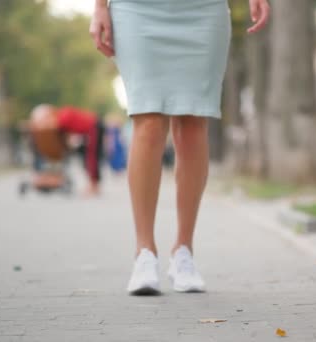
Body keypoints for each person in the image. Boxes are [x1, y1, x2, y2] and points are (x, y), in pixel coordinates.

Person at [90, 0, 270, 295]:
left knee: (193, 123)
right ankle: (144, 253)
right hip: (137, 10)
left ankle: (183, 251)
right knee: (148, 120)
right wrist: (99, 7)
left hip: (203, 11)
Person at [29, 104, 105, 196]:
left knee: (91, 157)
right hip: (92, 128)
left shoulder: (62, 118)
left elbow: (55, 130)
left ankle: (93, 187)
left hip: (94, 127)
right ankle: (94, 185)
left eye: (44, 119)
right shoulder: (62, 115)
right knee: (89, 157)